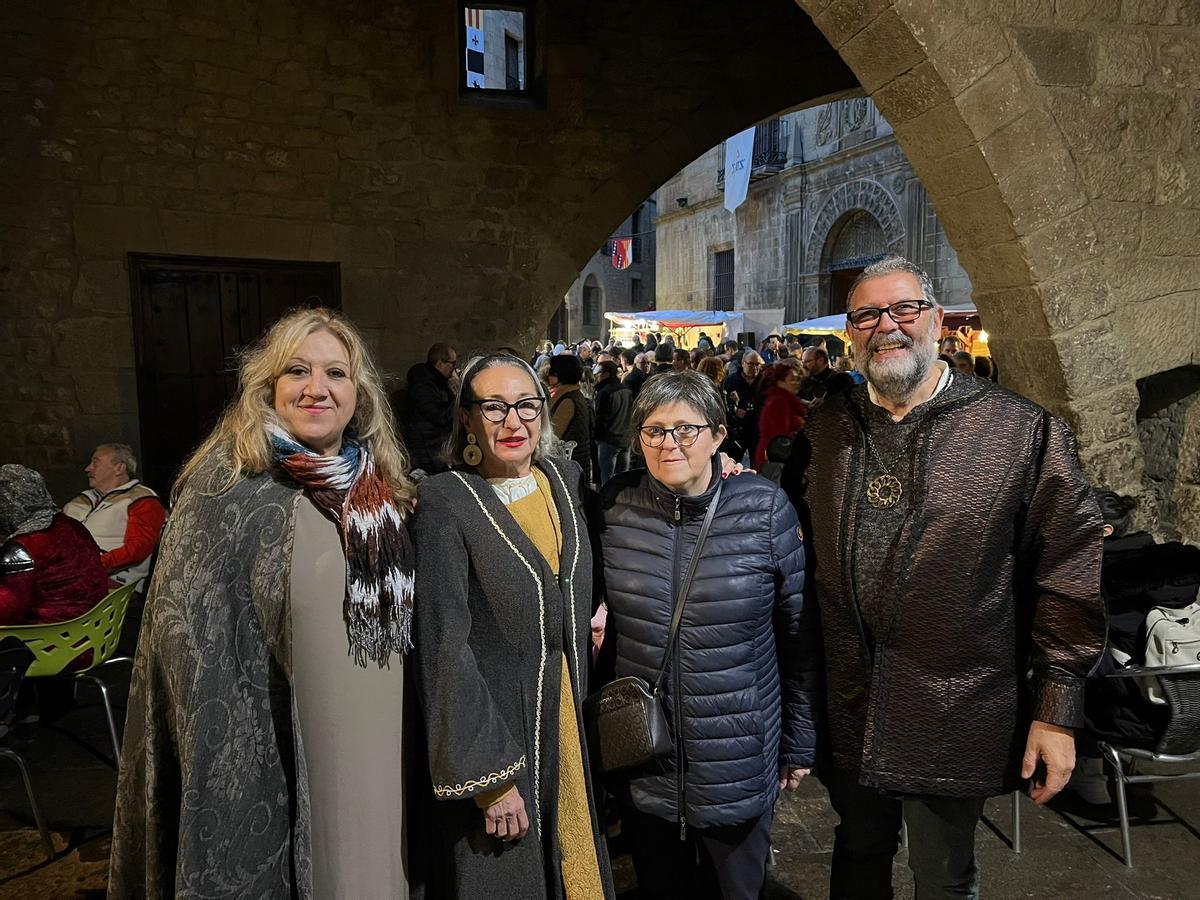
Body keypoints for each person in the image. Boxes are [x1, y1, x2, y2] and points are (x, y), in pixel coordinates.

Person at [782, 256, 1105, 899]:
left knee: (943, 874)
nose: (888, 327)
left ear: (934, 319)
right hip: (849, 697)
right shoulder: (825, 430)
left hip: (957, 701)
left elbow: (1069, 566)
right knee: (857, 850)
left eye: (903, 309)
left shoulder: (1019, 430)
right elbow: (792, 546)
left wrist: (1058, 707)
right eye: (868, 314)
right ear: (851, 332)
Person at [110, 308, 418, 898]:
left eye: (336, 373)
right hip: (290, 732)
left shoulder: (379, 485)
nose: (316, 388)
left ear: (360, 392)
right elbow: (190, 650)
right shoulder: (224, 490)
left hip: (383, 726)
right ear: (268, 386)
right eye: (297, 371)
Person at [595, 370, 819, 900]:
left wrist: (800, 741)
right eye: (654, 430)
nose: (668, 443)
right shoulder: (612, 506)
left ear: (719, 435)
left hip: (736, 757)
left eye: (685, 430)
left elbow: (798, 635)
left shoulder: (763, 509)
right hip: (643, 757)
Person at [413, 354, 614, 899]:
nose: (513, 421)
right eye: (494, 407)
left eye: (526, 405)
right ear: (466, 419)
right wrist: (491, 778)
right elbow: (444, 645)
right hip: (504, 738)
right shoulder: (445, 504)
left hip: (568, 728)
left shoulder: (563, 482)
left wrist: (722, 471)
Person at [0, 464, 108, 626]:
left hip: (53, 639)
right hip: (93, 628)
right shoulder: (70, 524)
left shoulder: (24, 546)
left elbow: (7, 612)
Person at [63, 443, 165, 587]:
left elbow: (137, 549)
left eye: (95, 463)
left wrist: (90, 567)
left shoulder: (141, 499)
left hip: (112, 583)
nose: (88, 468)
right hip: (66, 575)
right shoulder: (79, 501)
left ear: (119, 468)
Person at [404, 342, 458, 474]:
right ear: (440, 364)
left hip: (435, 446)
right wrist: (458, 394)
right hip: (427, 450)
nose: (455, 369)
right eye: (452, 364)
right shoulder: (424, 385)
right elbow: (439, 417)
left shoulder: (438, 382)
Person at [548, 353, 594, 488]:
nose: (548, 374)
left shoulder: (568, 400)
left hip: (571, 467)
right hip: (577, 465)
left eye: (551, 371)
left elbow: (553, 435)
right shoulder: (573, 395)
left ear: (559, 374)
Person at [753, 360, 807, 471]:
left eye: (797, 379)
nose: (796, 383)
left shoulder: (787, 400)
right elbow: (779, 438)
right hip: (776, 461)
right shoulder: (778, 402)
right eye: (792, 379)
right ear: (780, 382)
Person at [593, 360, 633, 486]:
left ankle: (607, 503)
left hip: (609, 440)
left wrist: (597, 437)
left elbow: (601, 418)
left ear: (605, 374)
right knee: (623, 478)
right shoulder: (627, 390)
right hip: (625, 439)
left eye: (599, 373)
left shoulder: (605, 392)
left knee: (607, 478)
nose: (597, 376)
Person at [721, 350, 763, 463]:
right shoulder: (731, 380)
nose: (755, 367)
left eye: (757, 364)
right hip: (737, 430)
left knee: (758, 464)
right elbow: (723, 403)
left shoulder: (763, 381)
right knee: (733, 461)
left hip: (756, 429)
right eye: (751, 364)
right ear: (743, 363)